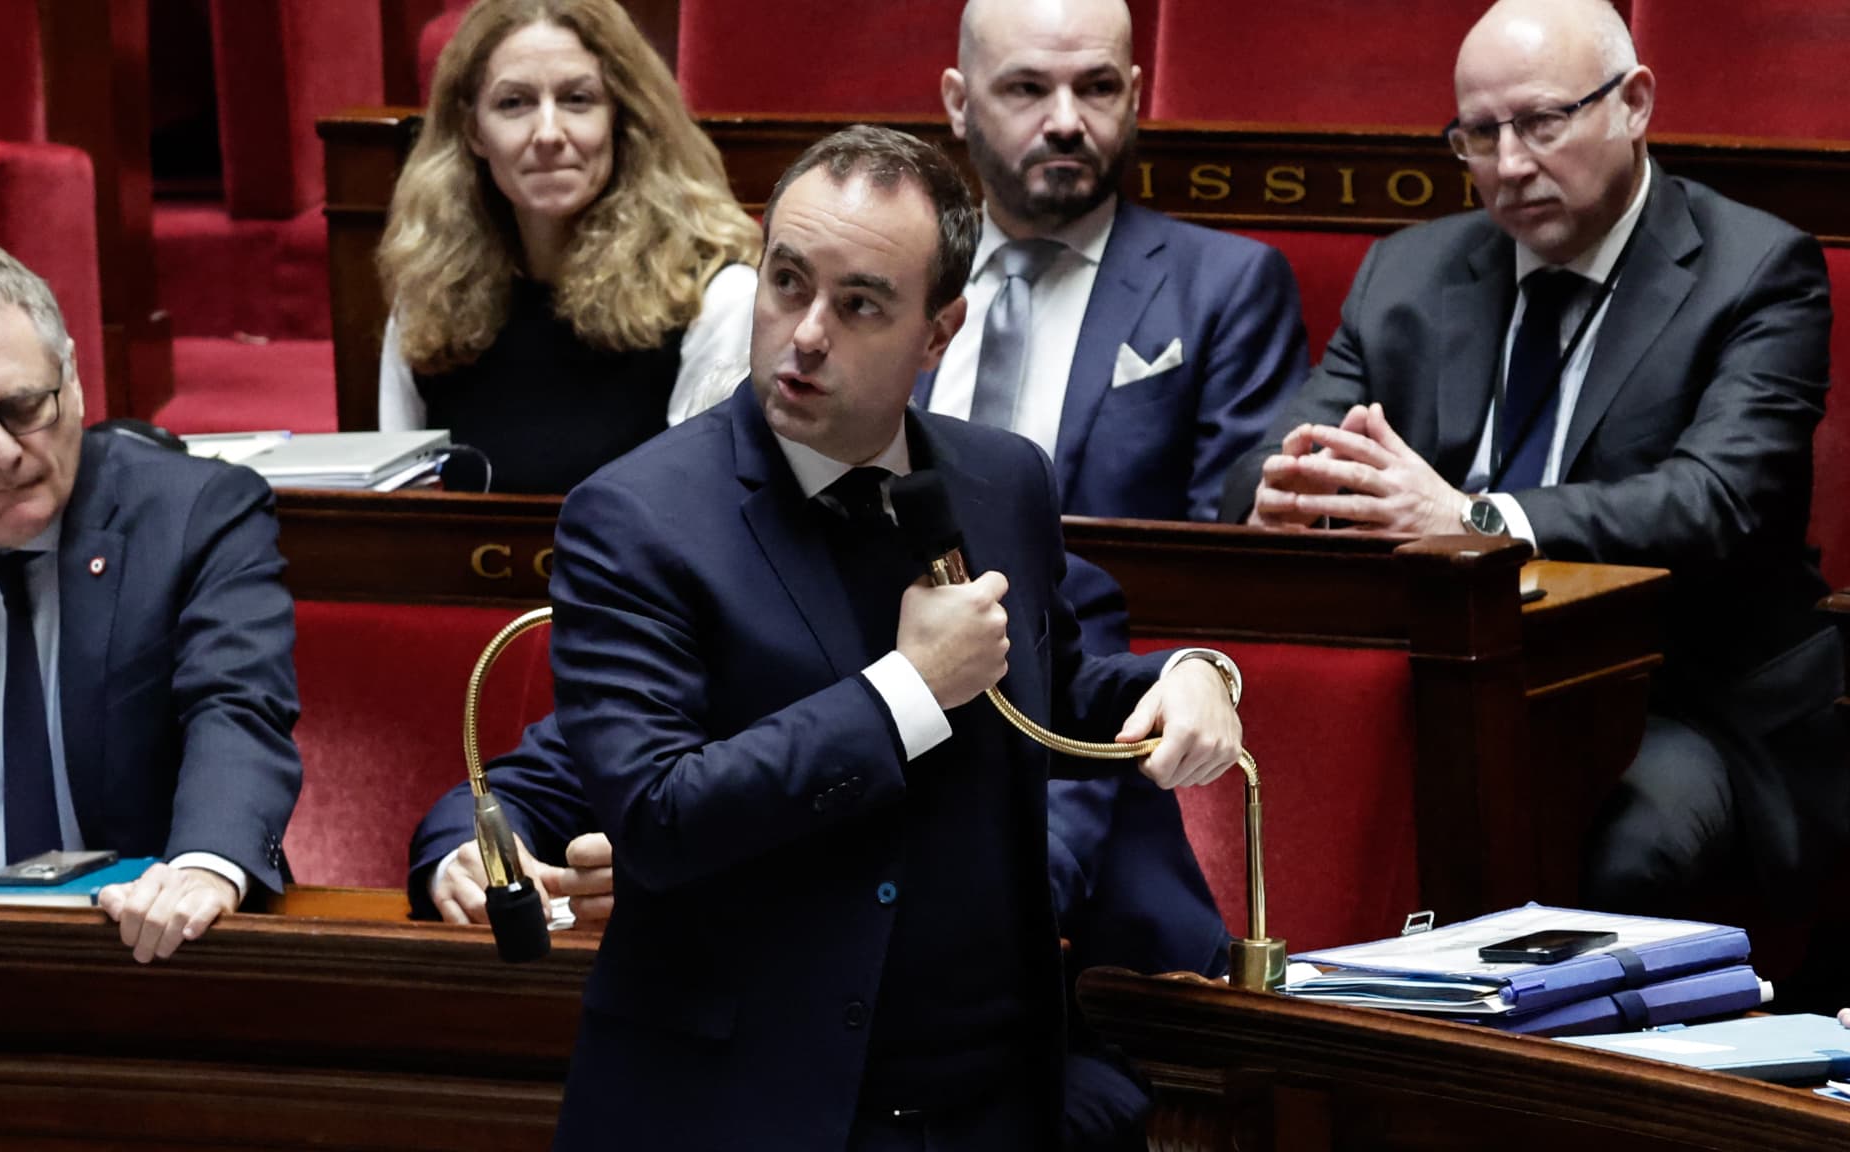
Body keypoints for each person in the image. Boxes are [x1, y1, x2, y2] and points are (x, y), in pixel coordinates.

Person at [545, 125, 1244, 1152]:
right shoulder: (635, 517)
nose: (805, 334)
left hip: (987, 1101)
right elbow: (658, 813)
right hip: (747, 1106)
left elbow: (1036, 683)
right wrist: (906, 693)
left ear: (938, 332)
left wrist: (1190, 675)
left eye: (859, 302)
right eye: (786, 283)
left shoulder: (1000, 479)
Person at [1220, 0, 1845, 933]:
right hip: (1450, 679)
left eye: (1544, 122)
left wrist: (1473, 521)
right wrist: (1285, 495)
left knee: (1622, 845)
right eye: (1480, 133)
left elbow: (1717, 503)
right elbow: (1271, 462)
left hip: (1682, 691)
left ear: (1634, 103)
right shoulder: (1408, 274)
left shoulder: (1756, 271)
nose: (1509, 166)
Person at [0, 238, 302, 964]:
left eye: (24, 405)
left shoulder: (196, 514)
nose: (3, 452)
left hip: (152, 950)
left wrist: (202, 864)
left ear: (72, 378)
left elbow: (238, 708)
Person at [923, 0, 1307, 524]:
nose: (1065, 123)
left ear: (1134, 97)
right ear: (960, 103)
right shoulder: (906, 272)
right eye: (1027, 89)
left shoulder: (1227, 287)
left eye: (1097, 88)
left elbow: (1231, 545)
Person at [376, 0, 761, 493]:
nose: (548, 134)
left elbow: (700, 519)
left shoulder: (717, 298)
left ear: (621, 118)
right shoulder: (429, 297)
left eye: (578, 99)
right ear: (473, 129)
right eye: (513, 103)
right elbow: (402, 519)